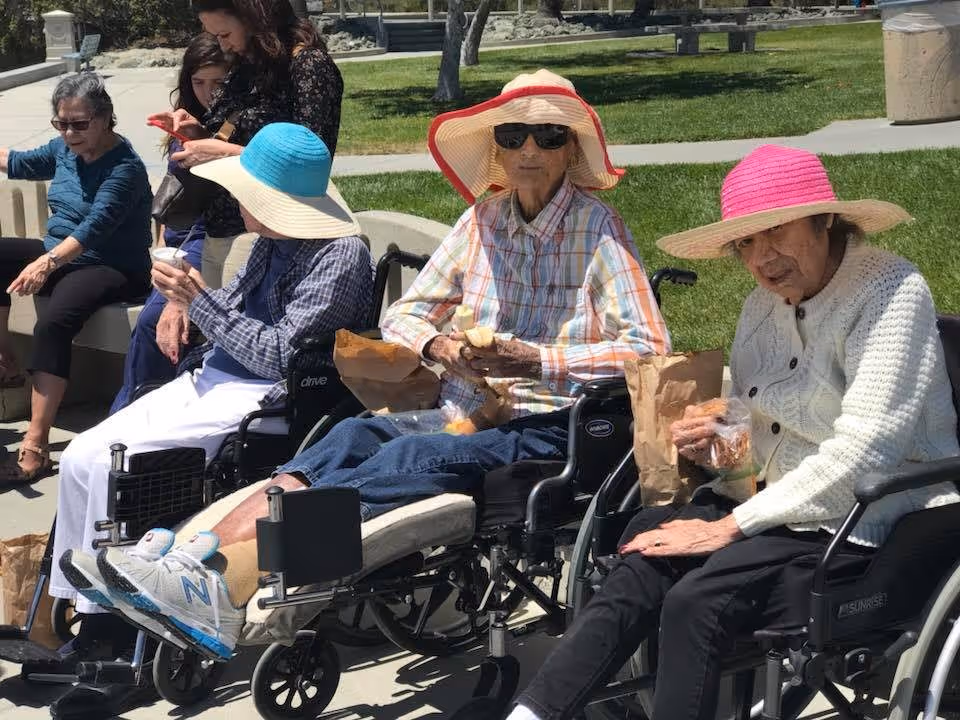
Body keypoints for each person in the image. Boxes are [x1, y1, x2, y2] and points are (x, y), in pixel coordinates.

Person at [75, 69, 672, 663]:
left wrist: (537, 358)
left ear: (571, 147)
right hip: (466, 410)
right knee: (349, 435)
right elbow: (407, 314)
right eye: (514, 135)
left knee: (408, 455)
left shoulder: (599, 231)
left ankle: (224, 580)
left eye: (547, 135)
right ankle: (193, 555)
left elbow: (649, 349)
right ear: (497, 146)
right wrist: (437, 347)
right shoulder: (481, 222)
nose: (530, 150)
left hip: (552, 423)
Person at [508, 144, 960, 720]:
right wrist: (721, 437)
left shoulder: (890, 293)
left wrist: (728, 527)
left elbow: (867, 449)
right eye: (745, 242)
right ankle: (532, 713)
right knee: (643, 548)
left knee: (700, 600)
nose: (762, 256)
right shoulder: (760, 307)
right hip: (779, 503)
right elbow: (763, 422)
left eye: (775, 231)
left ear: (824, 218)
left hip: (876, 515)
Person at [44, 123, 372, 712]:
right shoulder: (271, 238)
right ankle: (85, 610)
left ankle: (115, 635)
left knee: (114, 467)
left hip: (269, 395)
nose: (237, 202)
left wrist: (198, 301)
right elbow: (235, 313)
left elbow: (281, 355)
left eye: (247, 193)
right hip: (217, 377)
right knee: (81, 455)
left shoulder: (339, 255)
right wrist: (183, 303)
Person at [0, 73, 151, 486]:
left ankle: (36, 441)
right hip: (61, 256)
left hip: (112, 266)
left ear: (105, 119)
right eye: (61, 124)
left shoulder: (125, 168)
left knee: (53, 322)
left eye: (79, 124)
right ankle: (6, 360)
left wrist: (44, 264)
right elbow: (20, 162)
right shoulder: (64, 149)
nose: (69, 133)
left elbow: (93, 230)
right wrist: (46, 260)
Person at [147, 0, 344, 290]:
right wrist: (199, 133)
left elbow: (309, 166)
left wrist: (220, 151)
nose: (222, 45)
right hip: (220, 229)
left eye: (224, 35)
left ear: (254, 19)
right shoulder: (249, 65)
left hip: (268, 238)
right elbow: (238, 138)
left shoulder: (308, 67)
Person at [110, 34, 229, 414]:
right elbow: (172, 196)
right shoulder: (185, 123)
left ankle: (127, 417)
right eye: (199, 82)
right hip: (173, 246)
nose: (208, 93)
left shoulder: (230, 131)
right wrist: (161, 252)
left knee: (152, 323)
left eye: (218, 82)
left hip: (206, 244)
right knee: (152, 323)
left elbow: (212, 213)